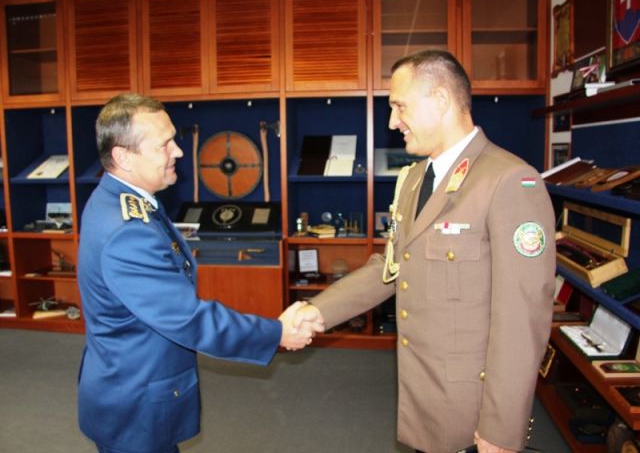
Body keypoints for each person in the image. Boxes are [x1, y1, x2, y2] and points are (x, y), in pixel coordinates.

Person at [294, 50, 556, 453]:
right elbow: (391, 266)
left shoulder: (508, 181)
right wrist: (318, 310)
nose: (392, 122)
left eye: (400, 106)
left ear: (441, 100)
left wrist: (501, 427)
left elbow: (522, 320)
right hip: (423, 391)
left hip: (473, 407)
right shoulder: (415, 179)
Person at [77, 93, 323, 453]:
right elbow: (187, 317)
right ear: (123, 156)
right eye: (164, 144)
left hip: (130, 382)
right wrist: (278, 332)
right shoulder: (127, 229)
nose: (178, 151)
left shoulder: (118, 201)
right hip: (136, 404)